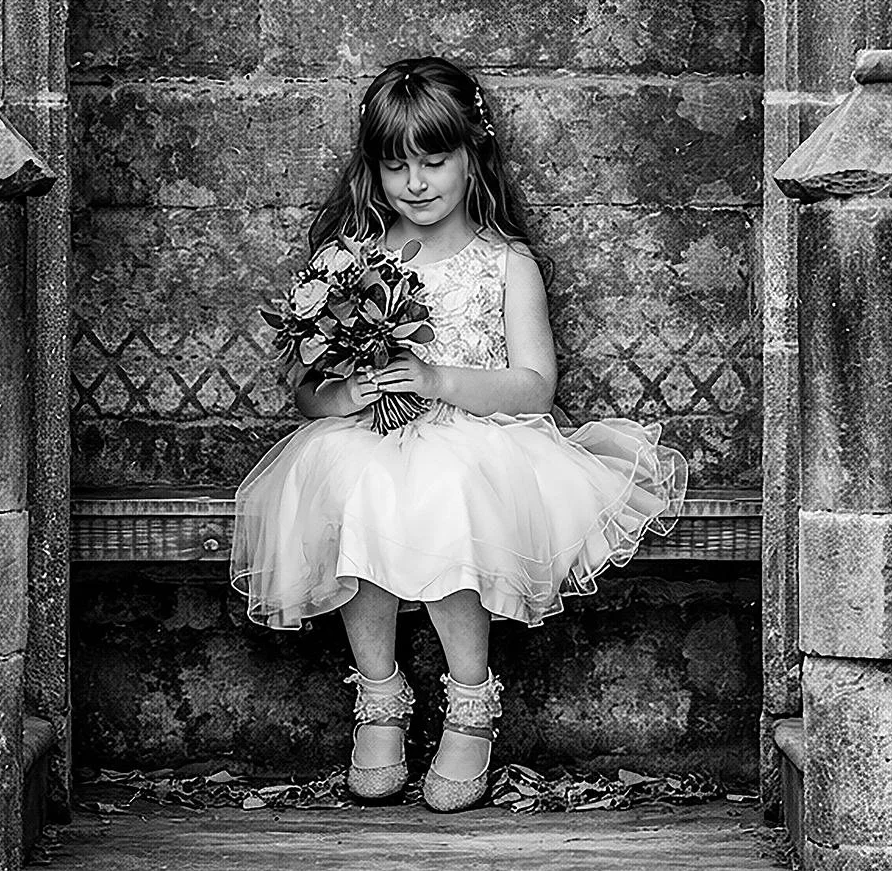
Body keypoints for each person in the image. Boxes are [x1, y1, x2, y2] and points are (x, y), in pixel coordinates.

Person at [230, 55, 688, 813]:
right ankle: (379, 694)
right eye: (395, 164)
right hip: (371, 436)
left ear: (474, 155)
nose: (415, 182)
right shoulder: (349, 266)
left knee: (444, 484)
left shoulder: (505, 266)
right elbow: (309, 393)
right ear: (371, 170)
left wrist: (439, 381)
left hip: (485, 440)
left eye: (434, 161)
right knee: (348, 476)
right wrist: (351, 392)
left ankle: (470, 699)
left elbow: (535, 386)